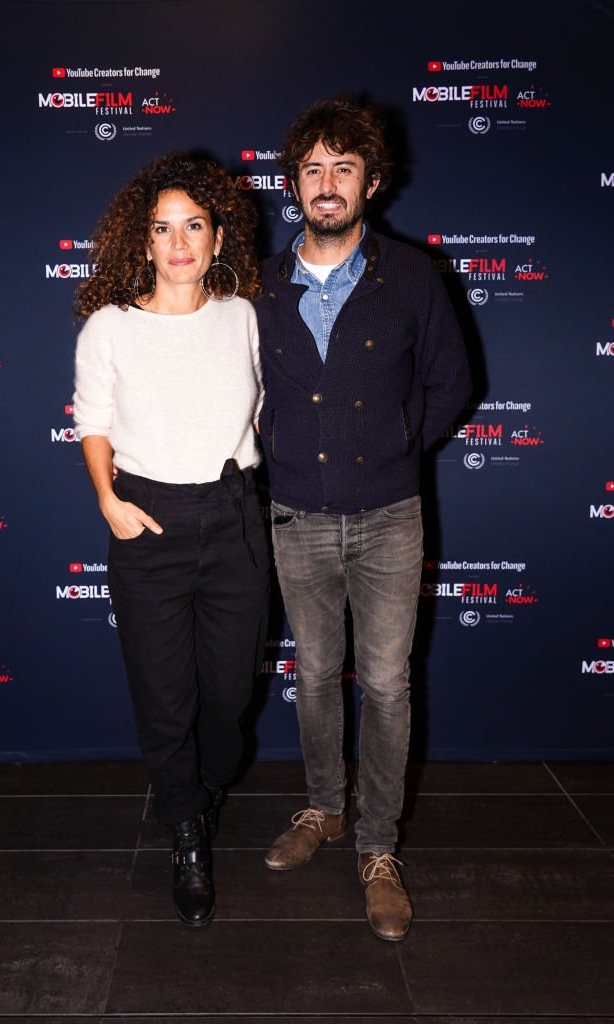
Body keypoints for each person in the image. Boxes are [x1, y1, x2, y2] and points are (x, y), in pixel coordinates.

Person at [255, 98, 472, 941]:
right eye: (311, 169)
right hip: (293, 518)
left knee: (384, 684)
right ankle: (323, 810)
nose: (326, 183)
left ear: (372, 183)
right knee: (313, 677)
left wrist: (394, 440)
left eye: (343, 167)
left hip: (388, 515)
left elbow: (451, 382)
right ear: (295, 187)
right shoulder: (263, 286)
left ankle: (378, 847)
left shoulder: (413, 277)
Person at [72, 153, 269, 928]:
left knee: (228, 695)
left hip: (233, 517)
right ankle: (186, 831)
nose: (179, 241)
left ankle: (208, 787)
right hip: (146, 522)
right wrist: (107, 501)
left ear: (218, 238)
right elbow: (92, 423)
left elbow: (260, 412)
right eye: (163, 228)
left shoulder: (244, 317)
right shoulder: (109, 327)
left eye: (194, 225)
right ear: (143, 243)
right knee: (164, 699)